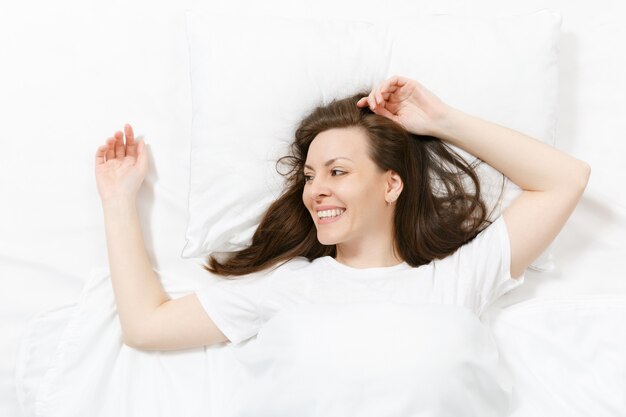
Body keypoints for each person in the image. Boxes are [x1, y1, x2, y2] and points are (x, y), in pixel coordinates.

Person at [94, 75, 590, 352]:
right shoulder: (289, 288)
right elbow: (146, 329)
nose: (316, 192)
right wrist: (118, 202)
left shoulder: (456, 280)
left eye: (337, 171)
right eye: (310, 177)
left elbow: (564, 179)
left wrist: (442, 121)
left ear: (391, 183)